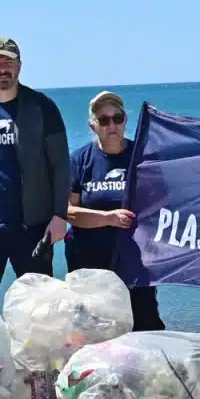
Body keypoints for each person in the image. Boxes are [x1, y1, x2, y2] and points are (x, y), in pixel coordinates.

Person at [0, 37, 71, 309]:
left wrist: (59, 216)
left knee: (39, 305)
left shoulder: (42, 107)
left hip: (32, 225)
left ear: (19, 65)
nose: (2, 68)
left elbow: (61, 165)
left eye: (7, 61)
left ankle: (36, 353)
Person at [66, 90, 165, 331]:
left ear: (125, 121)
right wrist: (108, 218)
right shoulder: (80, 161)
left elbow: (161, 203)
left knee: (143, 322)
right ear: (93, 126)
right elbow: (68, 211)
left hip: (135, 258)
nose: (112, 125)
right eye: (104, 120)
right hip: (89, 257)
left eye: (117, 118)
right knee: (92, 325)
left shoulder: (141, 158)